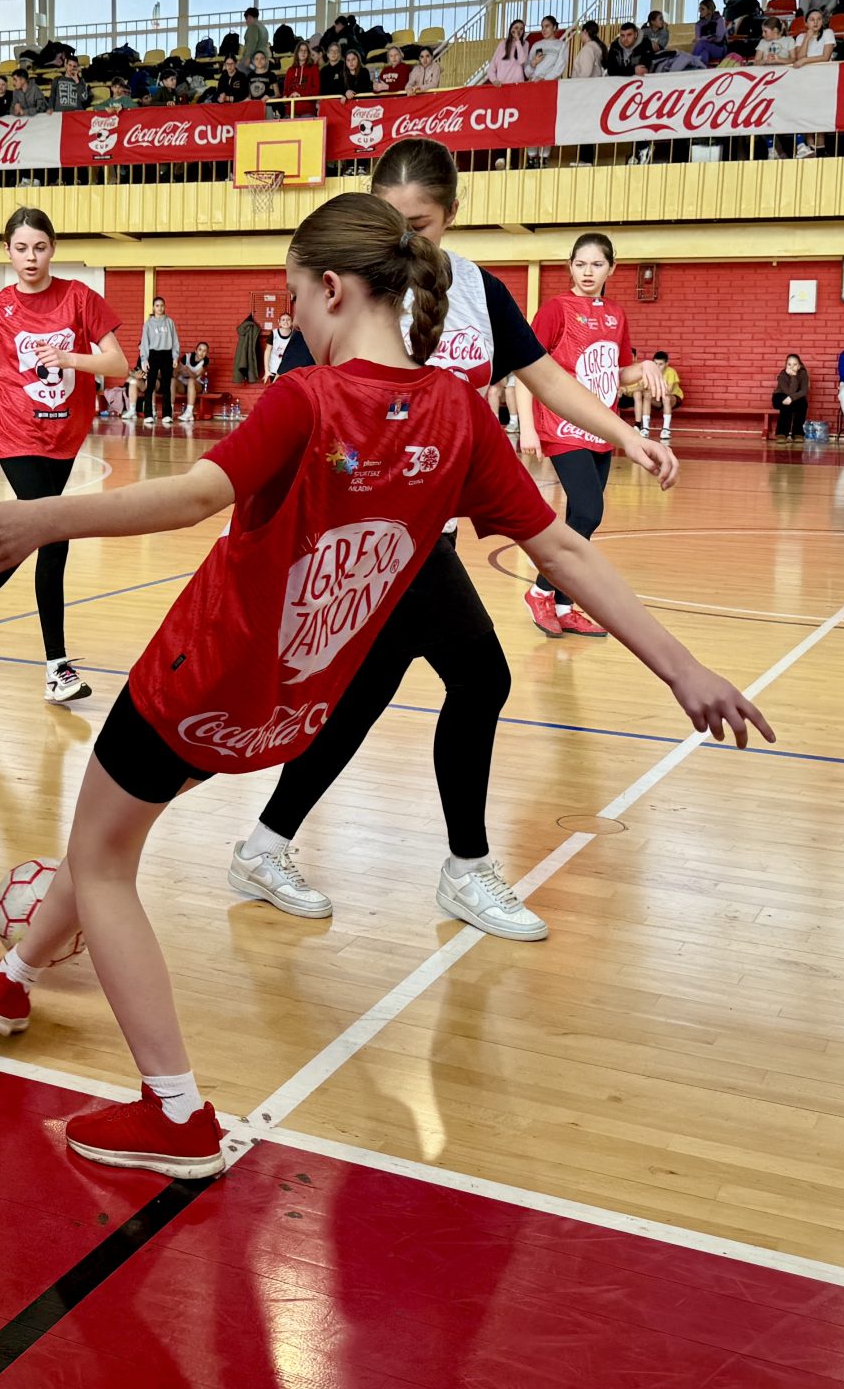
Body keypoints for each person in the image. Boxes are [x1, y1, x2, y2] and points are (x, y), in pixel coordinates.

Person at [0, 192, 771, 1176]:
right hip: (286, 707)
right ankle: (12, 978)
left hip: (196, 679)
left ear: (333, 289)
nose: (292, 317)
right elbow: (561, 549)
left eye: (295, 297)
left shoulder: (306, 400)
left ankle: (173, 1112)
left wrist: (41, 520)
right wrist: (684, 670)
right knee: (112, 832)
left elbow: (194, 495)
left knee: (100, 862)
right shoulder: (459, 413)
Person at [244, 143, 674, 932]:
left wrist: (625, 434)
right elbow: (295, 406)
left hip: (426, 529)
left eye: (420, 224)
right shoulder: (346, 286)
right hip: (365, 528)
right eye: (389, 220)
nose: (403, 239)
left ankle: (265, 845)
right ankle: (465, 869)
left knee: (369, 693)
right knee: (481, 679)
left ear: (451, 215)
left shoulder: (476, 289)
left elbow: (547, 377)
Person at [0, 209, 128, 705]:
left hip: (65, 433)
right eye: (21, 248)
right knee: (52, 535)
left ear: (52, 248)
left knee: (29, 537)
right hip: (17, 433)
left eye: (39, 247)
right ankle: (57, 668)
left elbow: (119, 363)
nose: (31, 257)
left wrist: (71, 357)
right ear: (7, 252)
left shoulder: (80, 297)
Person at [525, 233, 637, 640]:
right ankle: (540, 592)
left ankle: (563, 605)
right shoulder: (556, 309)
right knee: (589, 513)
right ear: (570, 266)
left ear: (611, 268)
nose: (588, 272)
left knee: (580, 519)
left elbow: (619, 373)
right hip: (562, 426)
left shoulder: (616, 315)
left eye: (597, 264)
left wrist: (647, 371)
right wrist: (527, 427)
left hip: (601, 427)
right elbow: (526, 367)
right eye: (580, 264)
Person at [136, 295, 179, 428]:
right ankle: (148, 414)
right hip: (153, 354)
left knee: (166, 385)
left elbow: (175, 341)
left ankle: (167, 414)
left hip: (167, 354)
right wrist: (144, 359)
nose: (160, 308)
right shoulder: (148, 324)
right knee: (150, 385)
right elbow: (144, 342)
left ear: (164, 307)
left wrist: (175, 357)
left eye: (162, 305)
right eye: (157, 306)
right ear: (153, 308)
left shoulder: (169, 322)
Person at [622, 348, 682, 439]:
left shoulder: (670, 372)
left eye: (661, 364)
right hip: (657, 399)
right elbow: (644, 387)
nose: (658, 367)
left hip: (672, 397)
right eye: (655, 364)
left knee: (666, 398)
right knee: (646, 395)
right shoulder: (650, 372)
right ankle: (645, 428)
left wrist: (650, 388)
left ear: (666, 364)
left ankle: (666, 429)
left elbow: (668, 391)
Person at [771, 352, 809, 440]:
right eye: (789, 364)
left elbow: (804, 391)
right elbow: (789, 391)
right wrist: (793, 377)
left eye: (795, 364)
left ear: (799, 366)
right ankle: (781, 433)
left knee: (802, 403)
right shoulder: (782, 375)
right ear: (786, 365)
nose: (791, 367)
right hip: (780, 396)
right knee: (786, 403)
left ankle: (798, 433)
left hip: (794, 397)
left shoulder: (803, 373)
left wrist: (791, 398)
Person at [175, 340, 211, 423]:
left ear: (206, 353)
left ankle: (189, 412)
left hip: (197, 385)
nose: (202, 353)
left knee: (191, 380)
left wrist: (188, 370)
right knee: (173, 381)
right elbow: (176, 373)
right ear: (195, 350)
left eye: (204, 351)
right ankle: (169, 410)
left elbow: (195, 376)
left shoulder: (205, 361)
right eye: (200, 350)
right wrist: (179, 370)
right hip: (183, 384)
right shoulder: (186, 357)